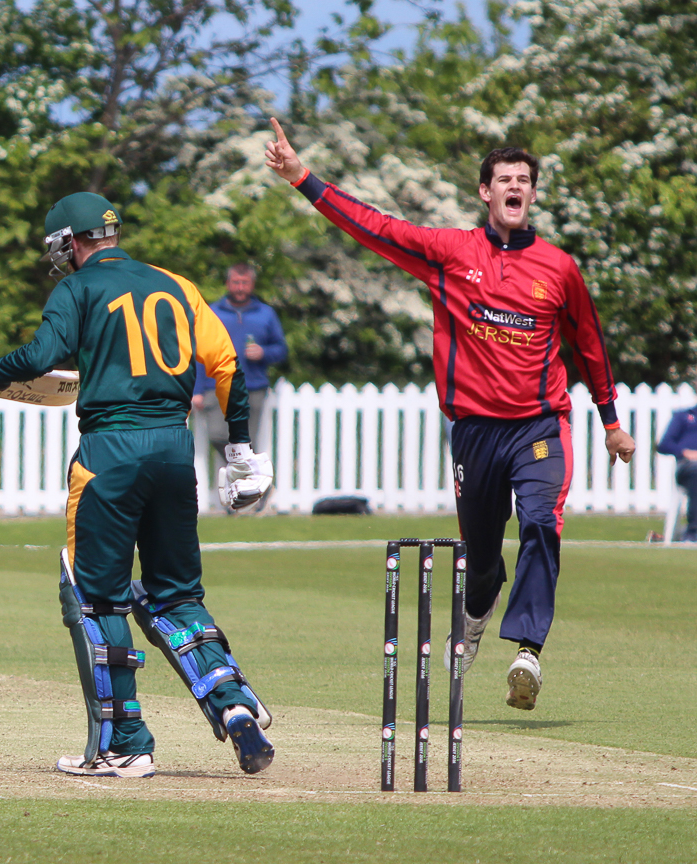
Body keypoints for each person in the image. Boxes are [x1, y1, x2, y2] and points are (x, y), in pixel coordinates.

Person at [265, 119, 637, 711]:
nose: (515, 186)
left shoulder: (559, 268)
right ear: (485, 193)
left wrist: (611, 421)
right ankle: (475, 611)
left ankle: (527, 652)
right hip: (474, 431)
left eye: (524, 180)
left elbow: (590, 345)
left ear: (533, 194)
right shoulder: (450, 253)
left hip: (539, 426)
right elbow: (375, 226)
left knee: (541, 521)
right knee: (482, 558)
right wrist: (303, 179)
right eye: (503, 179)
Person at [0, 192, 276, 779]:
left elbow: (43, 354)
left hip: (109, 453)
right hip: (175, 451)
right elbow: (227, 367)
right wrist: (240, 451)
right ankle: (234, 706)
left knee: (93, 596)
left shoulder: (77, 288)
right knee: (176, 594)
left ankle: (125, 742)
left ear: (72, 241)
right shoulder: (176, 284)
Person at [192, 263, 288, 459]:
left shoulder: (266, 314)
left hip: (252, 387)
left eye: (245, 283)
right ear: (227, 284)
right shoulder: (213, 312)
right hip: (217, 385)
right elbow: (200, 351)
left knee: (247, 442)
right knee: (218, 435)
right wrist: (196, 390)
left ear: (252, 285)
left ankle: (246, 484)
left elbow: (281, 350)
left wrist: (264, 353)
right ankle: (249, 475)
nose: (240, 287)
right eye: (236, 282)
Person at [656, 405, 697, 542]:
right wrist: (686, 452)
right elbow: (664, 444)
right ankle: (693, 532)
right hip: (689, 467)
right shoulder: (684, 416)